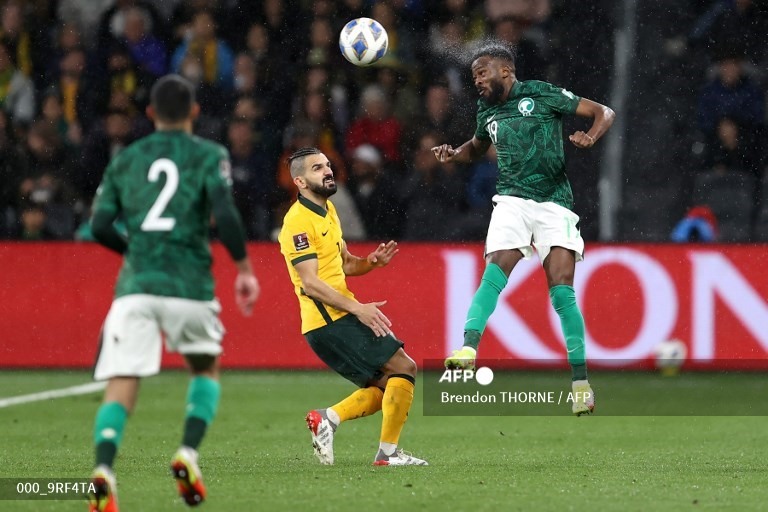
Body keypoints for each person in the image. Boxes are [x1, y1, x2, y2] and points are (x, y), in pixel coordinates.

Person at [87, 75, 260, 512]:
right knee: (205, 369)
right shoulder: (209, 155)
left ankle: (105, 469)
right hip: (190, 284)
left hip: (137, 285)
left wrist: (136, 251)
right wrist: (243, 268)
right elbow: (225, 212)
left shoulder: (127, 158)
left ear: (149, 114)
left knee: (122, 383)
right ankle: (187, 452)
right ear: (195, 113)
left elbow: (100, 225)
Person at [432, 43, 615, 416]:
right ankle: (468, 348)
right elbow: (477, 146)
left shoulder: (542, 94)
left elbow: (602, 112)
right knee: (495, 271)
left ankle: (581, 384)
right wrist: (454, 154)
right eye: (474, 76)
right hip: (511, 201)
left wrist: (591, 137)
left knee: (562, 293)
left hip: (553, 203)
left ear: (506, 71)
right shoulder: (487, 110)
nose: (478, 81)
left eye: (483, 73)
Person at [278, 146, 427, 466]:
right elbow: (310, 283)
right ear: (301, 182)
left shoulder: (328, 211)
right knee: (404, 367)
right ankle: (386, 455)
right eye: (317, 168)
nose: (328, 171)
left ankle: (328, 420)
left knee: (390, 383)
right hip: (327, 319)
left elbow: (345, 264)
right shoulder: (297, 222)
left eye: (328, 165)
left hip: (339, 313)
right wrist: (358, 309)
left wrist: (370, 262)